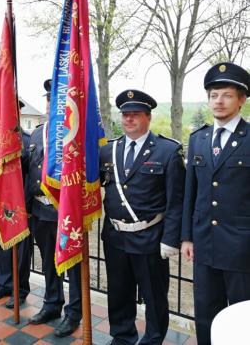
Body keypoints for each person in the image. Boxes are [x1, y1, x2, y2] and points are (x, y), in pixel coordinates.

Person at [100, 89, 185, 345]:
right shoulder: (108, 151)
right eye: (125, 115)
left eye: (135, 114)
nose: (128, 119)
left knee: (154, 295)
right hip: (115, 235)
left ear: (148, 117)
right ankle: (123, 335)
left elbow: (176, 201)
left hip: (150, 236)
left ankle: (153, 338)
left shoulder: (167, 151)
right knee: (119, 291)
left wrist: (170, 240)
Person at [181, 62, 250, 345]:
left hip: (241, 248)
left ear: (242, 100)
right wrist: (186, 236)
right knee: (206, 312)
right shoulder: (198, 139)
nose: (218, 101)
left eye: (226, 95)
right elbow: (190, 193)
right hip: (204, 244)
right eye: (213, 95)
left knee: (240, 316)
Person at [26, 80, 82, 338]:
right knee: (49, 262)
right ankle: (52, 304)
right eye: (49, 99)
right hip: (40, 209)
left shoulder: (75, 130)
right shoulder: (37, 133)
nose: (51, 104)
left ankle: (73, 312)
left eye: (56, 99)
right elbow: (28, 170)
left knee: (72, 266)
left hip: (65, 213)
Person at [0, 100, 33, 309]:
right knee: (2, 246)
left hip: (20, 205)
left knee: (22, 252)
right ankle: (4, 284)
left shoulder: (27, 139)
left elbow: (31, 173)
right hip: (1, 203)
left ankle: (20, 289)